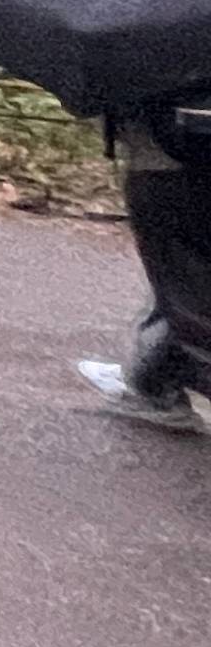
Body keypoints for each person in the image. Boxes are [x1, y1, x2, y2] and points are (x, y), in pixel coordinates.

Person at [85, 86, 211, 434]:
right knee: (183, 281)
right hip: (178, 152)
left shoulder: (154, 43)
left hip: (168, 157)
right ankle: (152, 375)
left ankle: (154, 385)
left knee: (183, 283)